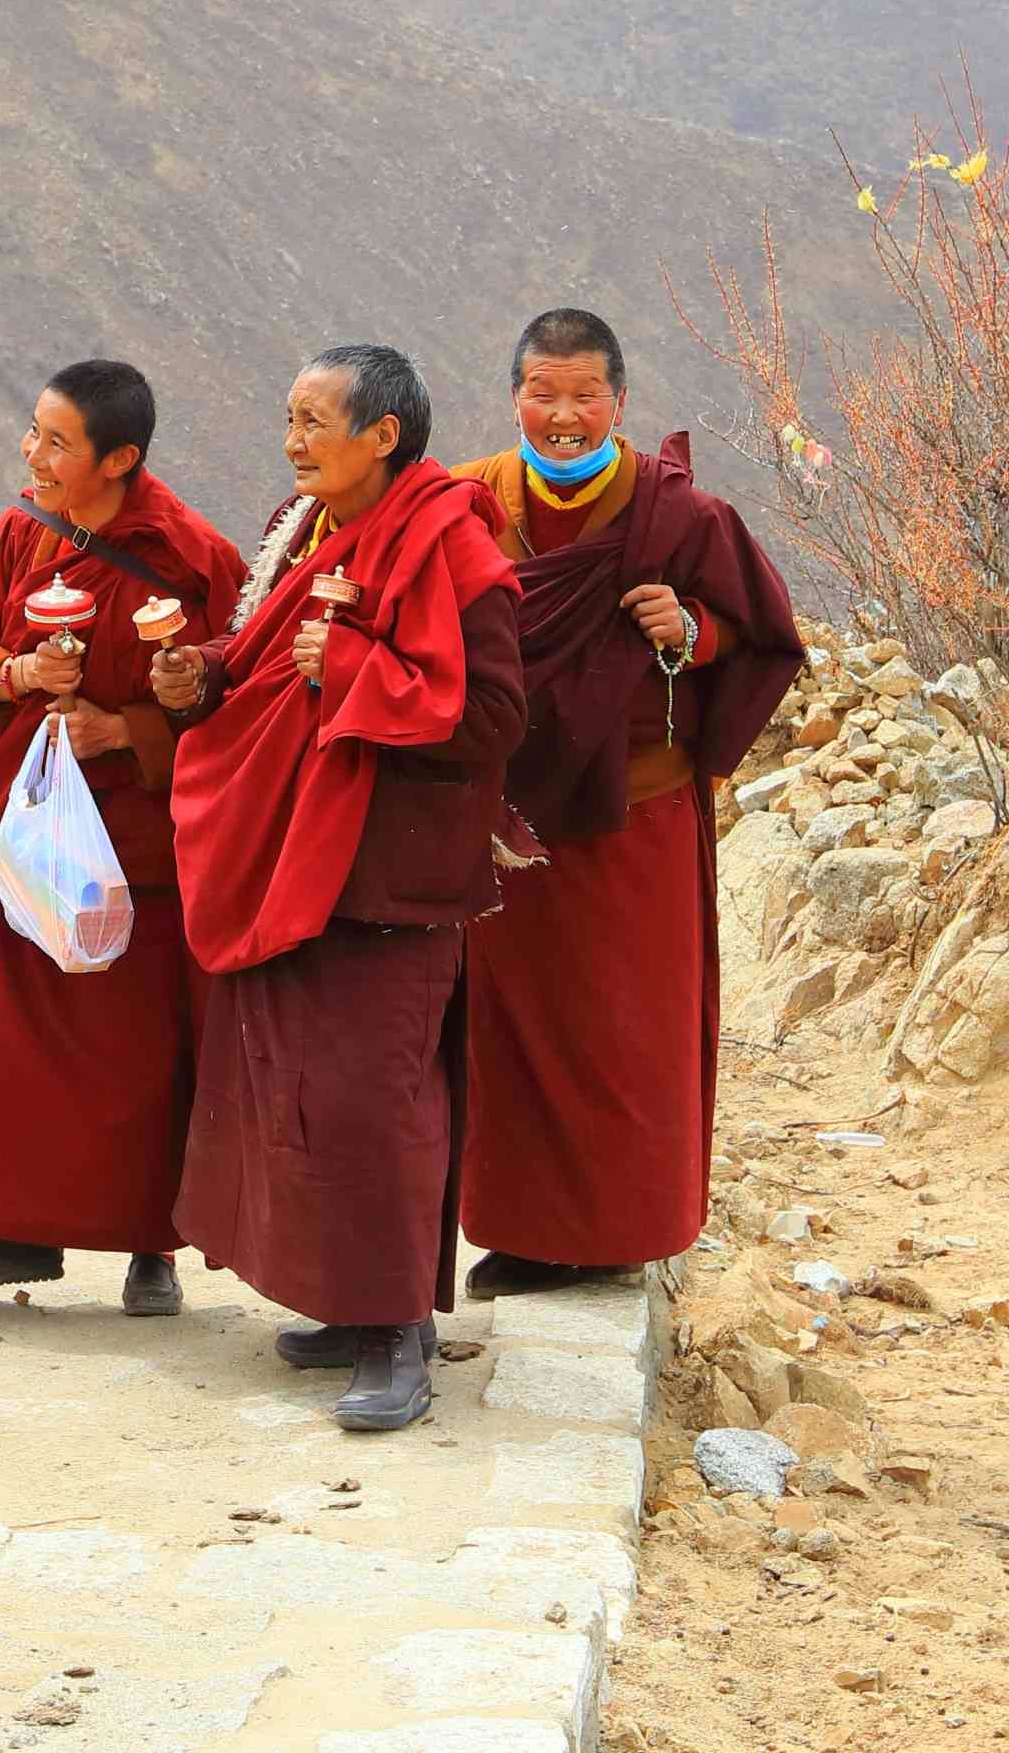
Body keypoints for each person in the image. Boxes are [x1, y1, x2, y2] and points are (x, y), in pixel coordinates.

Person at [151, 344, 523, 1431]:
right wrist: (201, 675)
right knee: (296, 1090)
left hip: (389, 873)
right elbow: (264, 651)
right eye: (290, 418)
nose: (293, 441)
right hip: (287, 850)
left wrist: (354, 671)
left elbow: (496, 720)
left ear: (383, 438)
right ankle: (339, 1299)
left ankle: (401, 1329)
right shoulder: (299, 529)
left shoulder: (452, 547)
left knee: (378, 1100)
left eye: (315, 422)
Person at [0, 358, 246, 1315]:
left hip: (138, 844)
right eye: (33, 432)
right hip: (28, 830)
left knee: (137, 1050)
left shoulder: (190, 557)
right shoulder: (15, 537)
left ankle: (150, 1248)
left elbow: (237, 692)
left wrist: (129, 728)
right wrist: (16, 675)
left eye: (56, 442)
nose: (32, 454)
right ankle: (15, 1229)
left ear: (119, 459)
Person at [448, 307, 802, 1295]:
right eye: (543, 394)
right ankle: (520, 1229)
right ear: (515, 394)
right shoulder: (469, 502)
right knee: (513, 1030)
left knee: (621, 1031)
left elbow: (763, 638)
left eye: (584, 396)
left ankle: (613, 1231)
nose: (564, 416)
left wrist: (690, 631)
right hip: (506, 820)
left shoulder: (680, 517)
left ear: (620, 402)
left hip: (634, 816)